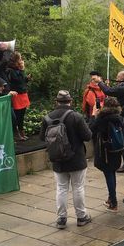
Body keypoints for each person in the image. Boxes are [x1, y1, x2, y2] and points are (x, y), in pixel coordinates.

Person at [40, 90, 92, 229]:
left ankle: (61, 219)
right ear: (70, 101)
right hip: (76, 158)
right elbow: (87, 136)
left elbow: (41, 138)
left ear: (56, 102)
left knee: (61, 188)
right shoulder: (76, 116)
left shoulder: (47, 118)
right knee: (78, 187)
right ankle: (81, 217)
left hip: (57, 159)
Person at [89, 97, 123, 211]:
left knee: (109, 174)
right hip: (117, 149)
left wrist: (94, 115)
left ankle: (113, 202)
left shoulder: (103, 118)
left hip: (105, 151)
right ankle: (111, 197)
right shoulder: (118, 117)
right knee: (112, 172)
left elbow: (91, 129)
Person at [6, 51, 31, 141]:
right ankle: (17, 134)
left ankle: (21, 131)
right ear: (16, 61)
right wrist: (22, 69)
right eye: (20, 59)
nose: (21, 60)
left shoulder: (18, 70)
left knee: (22, 115)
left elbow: (22, 81)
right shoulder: (11, 70)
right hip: (17, 96)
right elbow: (17, 81)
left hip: (23, 94)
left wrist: (27, 79)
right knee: (17, 116)